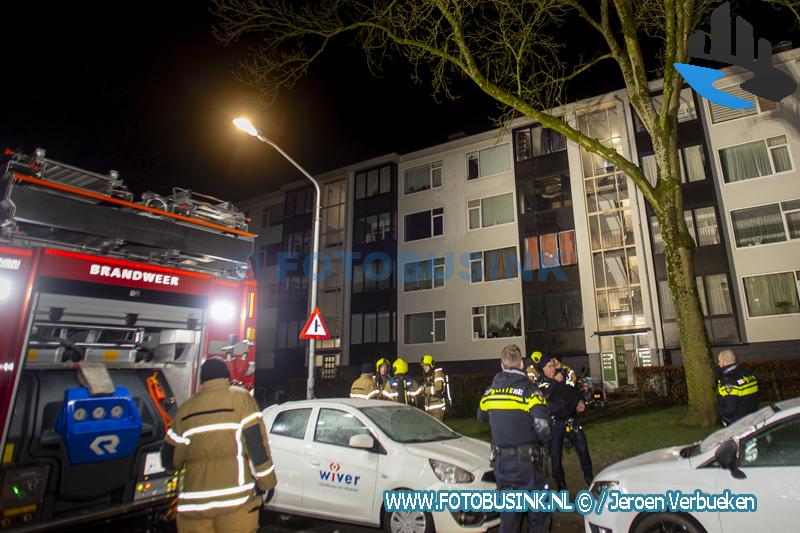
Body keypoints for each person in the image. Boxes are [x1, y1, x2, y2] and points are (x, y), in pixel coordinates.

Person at [160, 358, 277, 533]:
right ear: (227, 375)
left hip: (193, 505)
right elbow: (256, 445)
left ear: (202, 380)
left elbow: (169, 458)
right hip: (234, 501)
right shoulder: (241, 399)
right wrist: (267, 482)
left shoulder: (186, 409)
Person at [477, 344, 551, 533]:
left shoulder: (490, 391)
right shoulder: (530, 391)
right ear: (521, 364)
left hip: (502, 465)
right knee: (539, 518)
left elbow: (481, 416)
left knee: (509, 519)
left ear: (502, 365)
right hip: (529, 465)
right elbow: (543, 428)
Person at [538, 354, 593, 492]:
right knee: (556, 457)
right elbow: (545, 397)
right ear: (543, 369)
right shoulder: (541, 383)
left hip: (572, 420)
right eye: (549, 366)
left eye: (553, 366)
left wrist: (580, 400)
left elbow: (574, 388)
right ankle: (561, 486)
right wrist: (555, 382)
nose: (552, 369)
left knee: (583, 449)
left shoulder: (563, 376)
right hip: (555, 424)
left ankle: (590, 478)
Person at [716, 349, 759, 426]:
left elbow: (729, 408)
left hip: (738, 422)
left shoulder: (729, 380)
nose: (719, 364)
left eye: (719, 361)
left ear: (724, 362)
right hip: (752, 415)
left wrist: (720, 413)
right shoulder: (747, 373)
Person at [419, 355, 449, 420]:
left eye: (426, 365)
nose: (424, 367)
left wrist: (425, 390)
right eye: (423, 366)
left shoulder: (438, 373)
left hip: (437, 407)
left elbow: (438, 388)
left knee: (436, 426)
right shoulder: (428, 375)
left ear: (431, 365)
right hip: (429, 406)